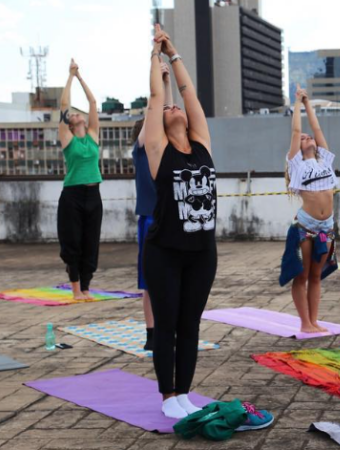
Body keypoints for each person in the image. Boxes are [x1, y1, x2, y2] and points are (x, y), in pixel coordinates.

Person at [144, 24, 217, 419]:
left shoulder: (202, 142)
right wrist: (154, 54)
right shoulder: (158, 150)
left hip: (203, 252)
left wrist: (175, 52)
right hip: (165, 252)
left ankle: (185, 392)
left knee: (191, 324)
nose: (174, 108)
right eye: (168, 110)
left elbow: (188, 94)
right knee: (167, 325)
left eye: (178, 110)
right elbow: (159, 96)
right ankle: (167, 394)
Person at [280, 84, 338, 333]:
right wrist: (297, 104)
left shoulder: (324, 159)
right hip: (306, 226)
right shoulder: (296, 164)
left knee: (316, 275)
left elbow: (317, 129)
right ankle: (305, 323)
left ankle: (314, 321)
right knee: (301, 275)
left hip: (327, 226)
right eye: (304, 139)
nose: (307, 138)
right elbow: (296, 130)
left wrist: (309, 105)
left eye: (309, 138)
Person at [132, 61, 173, 351]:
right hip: (150, 221)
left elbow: (167, 113)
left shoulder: (165, 151)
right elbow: (155, 110)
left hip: (169, 219)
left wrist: (167, 84)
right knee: (150, 282)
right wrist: (157, 83)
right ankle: (151, 334)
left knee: (171, 280)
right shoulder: (141, 150)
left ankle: (165, 330)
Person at [57, 58, 103, 300]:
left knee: (91, 241)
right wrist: (70, 77)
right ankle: (75, 288)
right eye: (72, 115)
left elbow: (93, 102)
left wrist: (81, 77)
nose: (74, 114)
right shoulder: (68, 138)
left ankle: (86, 287)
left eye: (77, 113)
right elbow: (64, 104)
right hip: (72, 195)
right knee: (72, 241)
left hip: (93, 194)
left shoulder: (93, 135)